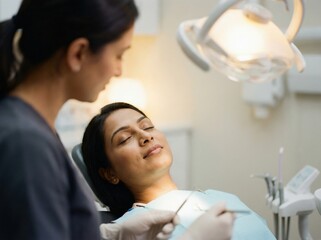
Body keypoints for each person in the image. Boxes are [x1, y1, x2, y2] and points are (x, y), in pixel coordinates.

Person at [0, 0, 182, 239]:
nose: (119, 70)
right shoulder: (25, 142)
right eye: (119, 55)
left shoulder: (34, 129)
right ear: (78, 53)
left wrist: (109, 236)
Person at [81, 102, 276, 240]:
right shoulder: (128, 232)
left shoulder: (221, 198)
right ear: (110, 173)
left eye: (147, 126)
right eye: (124, 138)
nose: (145, 136)